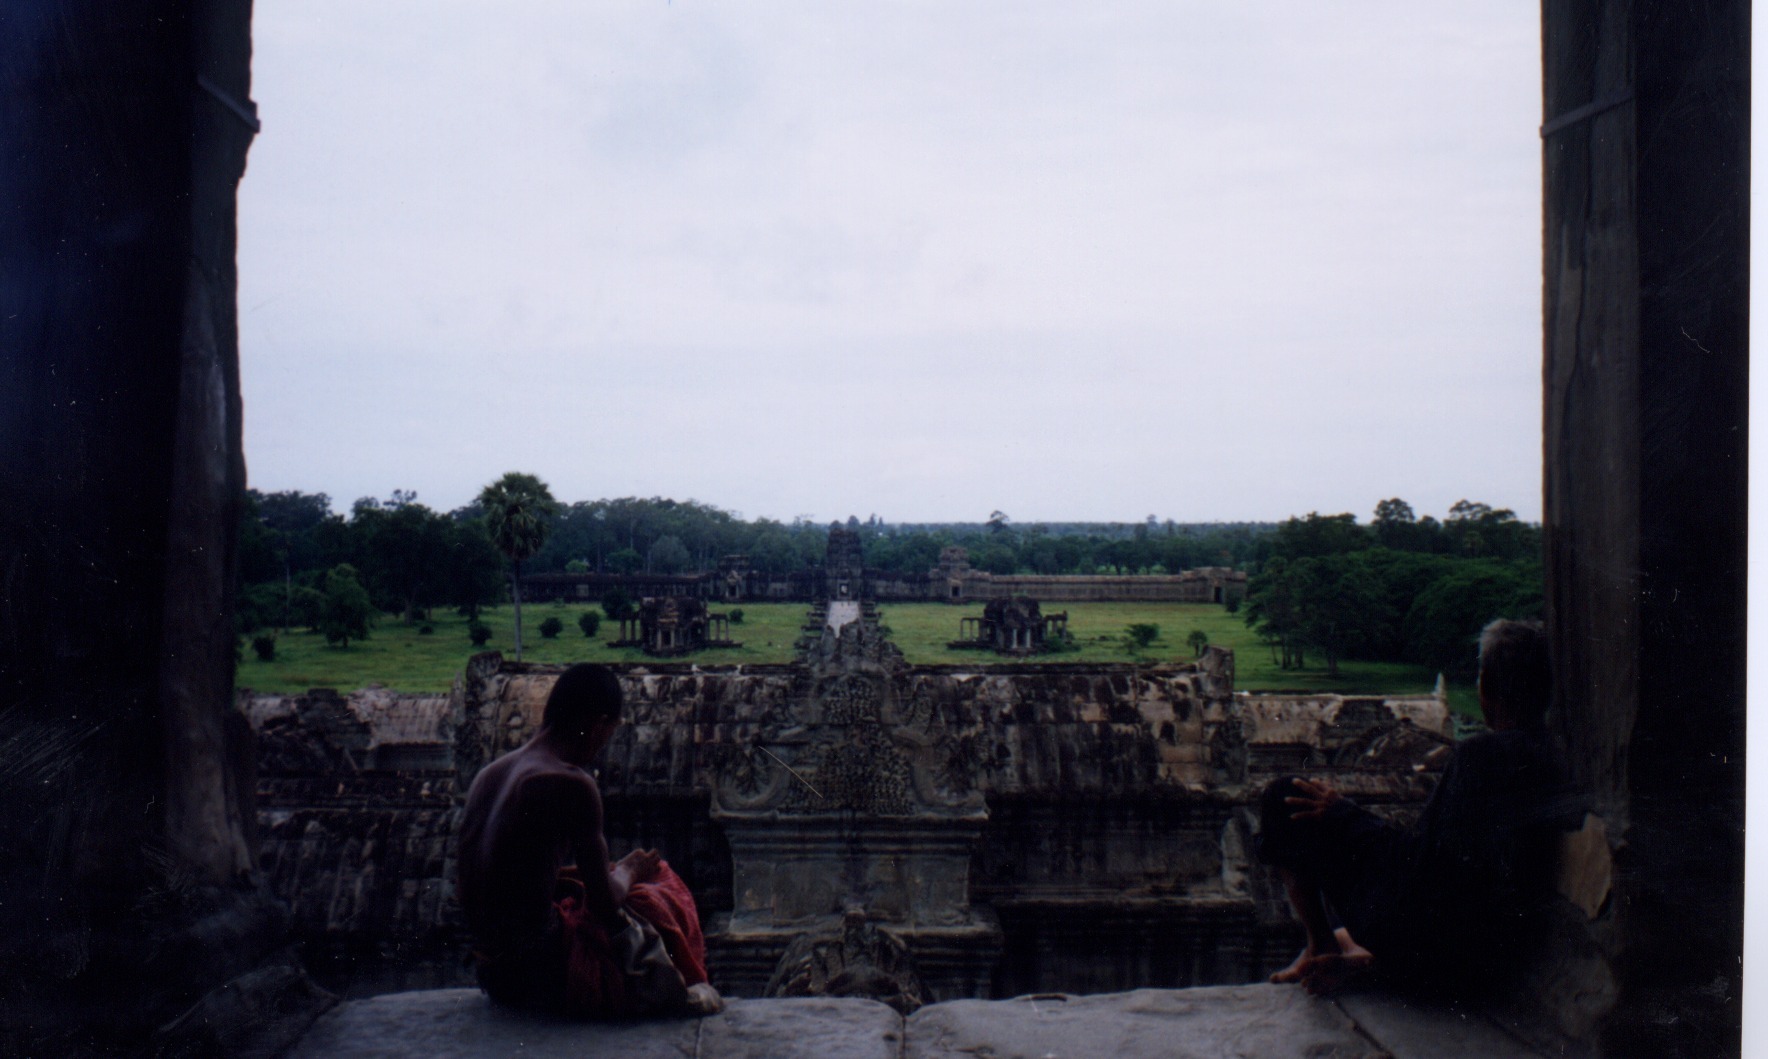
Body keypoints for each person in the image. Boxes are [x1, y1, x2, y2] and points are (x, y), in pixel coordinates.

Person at [1257, 619, 1579, 997]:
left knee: (1285, 798)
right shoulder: (1555, 753)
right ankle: (1355, 956)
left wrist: (1343, 813)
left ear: (1487, 686)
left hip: (1439, 943)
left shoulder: (1486, 755)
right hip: (1490, 945)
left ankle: (1320, 942)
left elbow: (1430, 870)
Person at [457, 663, 724, 1018]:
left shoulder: (490, 774)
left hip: (491, 971)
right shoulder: (571, 782)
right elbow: (604, 902)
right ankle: (683, 990)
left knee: (590, 883)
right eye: (608, 733)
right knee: (658, 889)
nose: (602, 747)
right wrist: (631, 868)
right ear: (598, 724)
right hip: (540, 974)